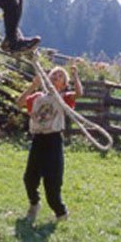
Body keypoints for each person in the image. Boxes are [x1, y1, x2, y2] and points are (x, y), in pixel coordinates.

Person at [16, 64, 81, 222]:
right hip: (38, 139)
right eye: (53, 74)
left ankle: (61, 213)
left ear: (64, 84)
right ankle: (34, 204)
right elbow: (19, 103)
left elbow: (79, 93)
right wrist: (33, 86)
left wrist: (75, 76)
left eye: (60, 76)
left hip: (53, 140)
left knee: (52, 182)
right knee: (29, 178)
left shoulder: (63, 98)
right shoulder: (37, 97)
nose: (55, 77)